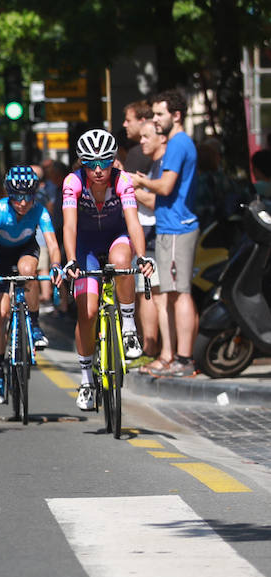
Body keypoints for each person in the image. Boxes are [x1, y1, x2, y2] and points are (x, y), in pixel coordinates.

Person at [61, 129, 154, 411]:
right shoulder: (73, 182)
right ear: (82, 163)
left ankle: (127, 328)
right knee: (87, 312)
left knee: (123, 259)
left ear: (114, 160)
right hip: (85, 246)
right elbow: (69, 225)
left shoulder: (122, 180)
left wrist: (141, 256)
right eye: (91, 163)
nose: (98, 170)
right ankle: (87, 379)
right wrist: (70, 260)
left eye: (105, 162)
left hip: (117, 238)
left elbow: (134, 222)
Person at [0, 166, 62, 406]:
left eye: (28, 197)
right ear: (8, 195)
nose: (23, 203)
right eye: (16, 197)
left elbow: (53, 245)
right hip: (0, 256)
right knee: (1, 313)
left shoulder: (40, 211)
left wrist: (56, 265)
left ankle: (34, 325)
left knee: (28, 272)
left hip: (25, 251)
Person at [129, 90, 200, 376]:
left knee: (179, 293)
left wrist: (139, 182)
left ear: (176, 115)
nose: (155, 120)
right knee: (170, 294)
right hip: (170, 226)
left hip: (176, 227)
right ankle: (171, 357)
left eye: (159, 114)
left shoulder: (178, 144)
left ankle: (183, 358)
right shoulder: (177, 143)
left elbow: (167, 187)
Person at [132, 120, 174, 370]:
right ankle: (161, 353)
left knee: (159, 299)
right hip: (152, 241)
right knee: (151, 297)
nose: (142, 141)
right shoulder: (156, 165)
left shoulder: (163, 165)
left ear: (162, 139)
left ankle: (164, 354)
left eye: (147, 136)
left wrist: (132, 186)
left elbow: (156, 201)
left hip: (159, 240)